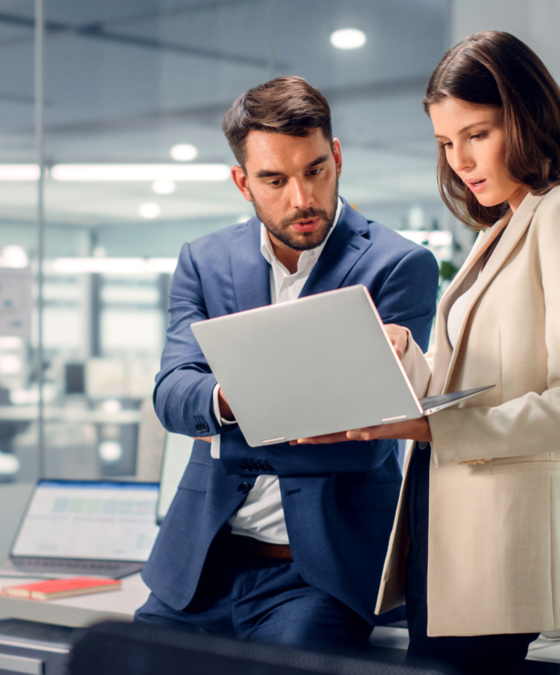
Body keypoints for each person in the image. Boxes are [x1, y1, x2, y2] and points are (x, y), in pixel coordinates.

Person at [297, 32, 560, 674]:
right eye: (445, 142)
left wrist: (429, 423)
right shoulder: (500, 228)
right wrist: (400, 357)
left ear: (526, 115)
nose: (460, 158)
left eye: (478, 133)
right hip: (452, 530)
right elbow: (479, 382)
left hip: (503, 543)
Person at [136, 76, 441, 651]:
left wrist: (224, 430)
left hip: (318, 578)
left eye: (316, 170)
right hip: (199, 568)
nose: (302, 197)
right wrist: (236, 401)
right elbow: (173, 397)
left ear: (338, 157)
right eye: (275, 179)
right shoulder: (203, 262)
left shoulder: (398, 266)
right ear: (242, 182)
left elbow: (366, 440)